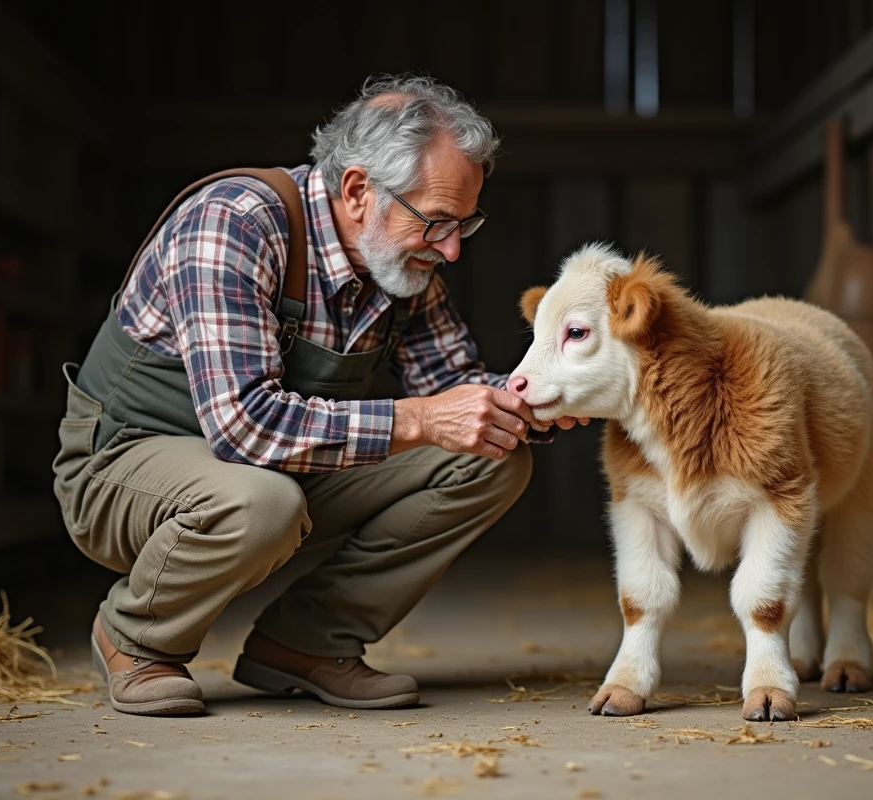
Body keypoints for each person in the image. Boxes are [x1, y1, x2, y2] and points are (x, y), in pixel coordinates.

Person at [51, 74, 585, 717]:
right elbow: (247, 429)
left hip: (259, 474)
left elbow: (456, 393)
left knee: (488, 457)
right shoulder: (235, 223)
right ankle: (135, 637)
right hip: (123, 468)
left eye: (464, 226)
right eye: (437, 222)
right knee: (260, 503)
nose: (450, 249)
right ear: (359, 189)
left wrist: (547, 394)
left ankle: (303, 645)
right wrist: (418, 419)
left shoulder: (402, 265)